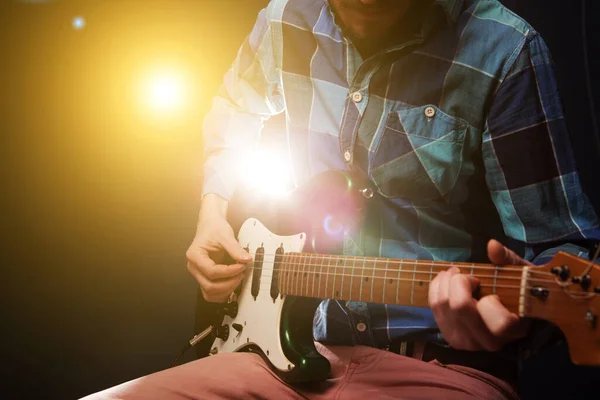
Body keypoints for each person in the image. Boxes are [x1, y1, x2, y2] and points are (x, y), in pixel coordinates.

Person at [84, 0, 600, 398]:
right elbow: (232, 110)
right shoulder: (285, 18)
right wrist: (212, 210)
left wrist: (515, 324)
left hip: (435, 366)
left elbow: (568, 252)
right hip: (279, 353)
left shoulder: (503, 48)